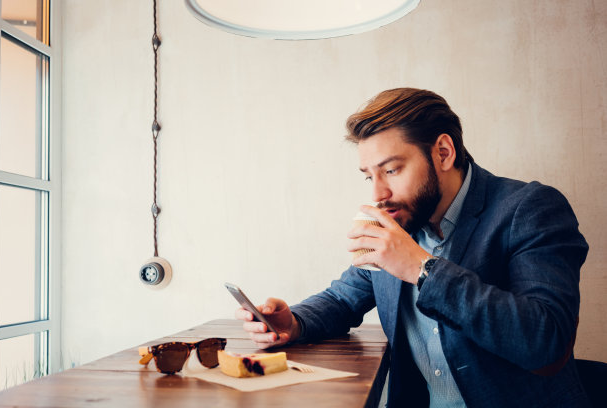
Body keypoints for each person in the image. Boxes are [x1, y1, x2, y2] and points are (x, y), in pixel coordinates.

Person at [235, 88, 590, 407]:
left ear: (444, 152)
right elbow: (344, 297)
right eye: (368, 176)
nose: (377, 194)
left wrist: (422, 268)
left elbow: (547, 341)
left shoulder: (530, 208)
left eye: (391, 170)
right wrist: (294, 322)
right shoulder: (395, 221)